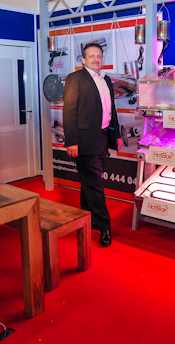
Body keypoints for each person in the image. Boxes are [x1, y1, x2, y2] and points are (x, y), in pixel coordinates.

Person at [63, 42, 121, 247]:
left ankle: (88, 218)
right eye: (92, 56)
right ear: (83, 59)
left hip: (102, 137)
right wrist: (71, 141)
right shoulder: (75, 78)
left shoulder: (106, 79)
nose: (96, 59)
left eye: (99, 56)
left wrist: (116, 134)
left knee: (88, 182)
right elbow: (69, 112)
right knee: (95, 184)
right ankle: (105, 226)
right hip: (84, 141)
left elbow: (111, 109)